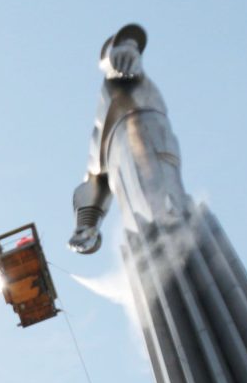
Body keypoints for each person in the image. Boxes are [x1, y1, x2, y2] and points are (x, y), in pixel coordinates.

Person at [69, 23, 189, 254]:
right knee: (144, 224)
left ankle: (179, 243)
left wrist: (127, 51)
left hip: (145, 138)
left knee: (166, 209)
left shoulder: (134, 81)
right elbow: (95, 178)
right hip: (119, 167)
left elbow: (127, 62)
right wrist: (86, 226)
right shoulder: (104, 103)